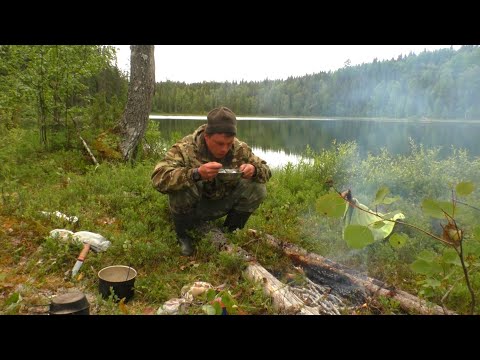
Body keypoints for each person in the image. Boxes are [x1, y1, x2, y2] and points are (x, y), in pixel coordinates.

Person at [151, 106, 272, 256]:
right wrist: (195, 174)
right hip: (191, 207)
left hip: (221, 203)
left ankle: (230, 231)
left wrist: (254, 170)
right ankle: (184, 237)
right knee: (184, 185)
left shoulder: (240, 149)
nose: (225, 149)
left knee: (257, 188)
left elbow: (266, 171)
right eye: (220, 143)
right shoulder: (185, 149)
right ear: (207, 136)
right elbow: (158, 177)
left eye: (229, 143)